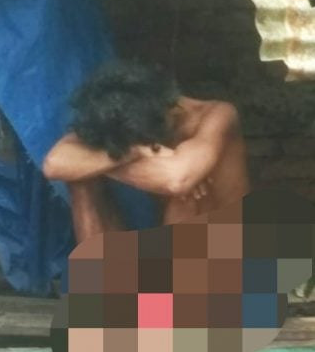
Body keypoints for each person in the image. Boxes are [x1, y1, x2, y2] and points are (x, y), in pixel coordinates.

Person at [42, 60, 251, 243]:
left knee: (188, 192)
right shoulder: (116, 119)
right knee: (80, 180)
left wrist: (99, 162)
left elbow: (176, 180)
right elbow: (54, 164)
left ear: (169, 111)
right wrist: (136, 152)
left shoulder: (217, 115)